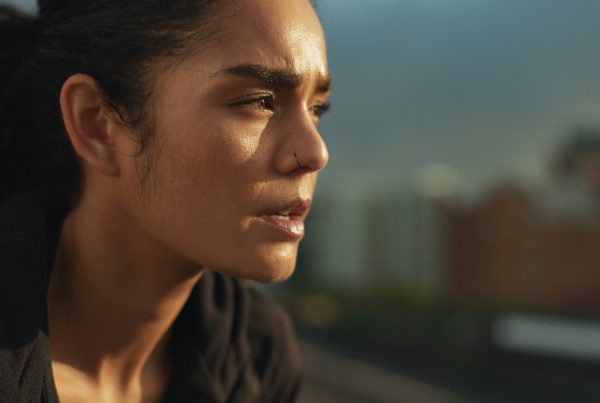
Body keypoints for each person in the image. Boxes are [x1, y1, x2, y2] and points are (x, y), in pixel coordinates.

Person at [0, 0, 331, 401]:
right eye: (259, 101)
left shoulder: (256, 358)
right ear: (97, 125)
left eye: (316, 108)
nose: (315, 153)